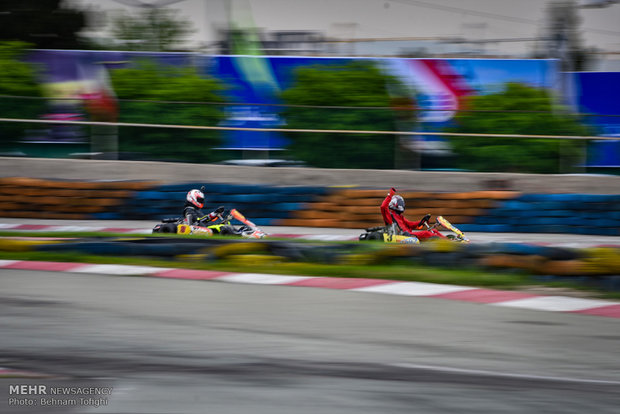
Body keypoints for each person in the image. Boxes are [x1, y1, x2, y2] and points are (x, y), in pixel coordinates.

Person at [380, 187, 446, 241]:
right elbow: (383, 207)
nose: (402, 205)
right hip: (401, 236)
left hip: (409, 235)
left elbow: (410, 224)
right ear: (394, 204)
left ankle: (448, 240)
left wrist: (422, 221)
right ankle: (444, 242)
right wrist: (390, 195)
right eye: (400, 203)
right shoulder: (389, 216)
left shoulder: (400, 216)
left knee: (433, 230)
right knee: (426, 233)